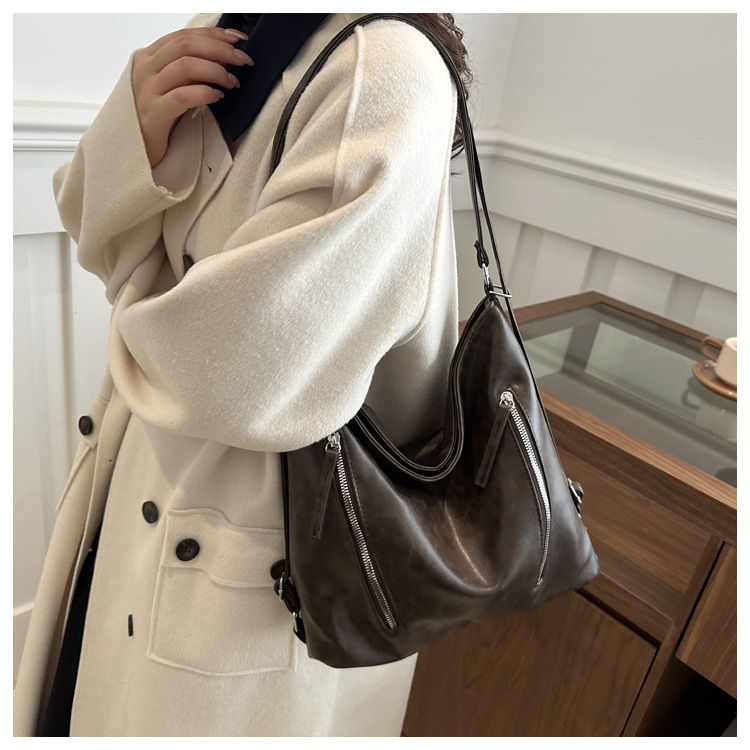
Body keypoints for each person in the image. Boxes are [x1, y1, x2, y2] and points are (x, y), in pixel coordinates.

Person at [14, 12, 470, 736]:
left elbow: (229, 369)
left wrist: (141, 298)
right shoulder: (230, 32)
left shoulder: (386, 68)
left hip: (259, 576)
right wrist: (132, 135)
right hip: (140, 501)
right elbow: (93, 233)